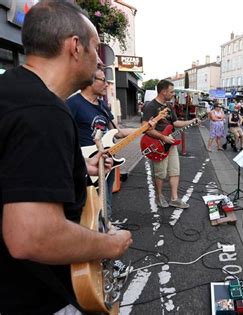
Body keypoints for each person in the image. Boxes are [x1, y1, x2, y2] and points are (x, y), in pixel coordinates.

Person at [0, 1, 133, 313]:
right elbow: (31, 237)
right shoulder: (44, 112)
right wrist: (110, 244)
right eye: (96, 48)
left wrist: (77, 168)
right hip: (34, 297)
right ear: (75, 47)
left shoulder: (11, 91)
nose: (99, 61)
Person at [68, 68, 148, 220]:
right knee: (87, 209)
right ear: (91, 81)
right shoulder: (73, 104)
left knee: (105, 204)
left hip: (107, 163)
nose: (107, 84)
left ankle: (106, 230)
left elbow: (117, 132)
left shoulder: (103, 106)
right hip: (86, 166)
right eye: (103, 80)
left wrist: (144, 129)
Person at [142, 79, 199, 209]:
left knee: (175, 171)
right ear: (163, 91)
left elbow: (175, 123)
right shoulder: (150, 106)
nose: (173, 94)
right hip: (158, 144)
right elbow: (145, 127)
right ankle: (159, 196)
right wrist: (163, 137)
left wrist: (191, 121)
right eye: (171, 91)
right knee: (160, 173)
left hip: (170, 143)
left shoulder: (169, 106)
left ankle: (174, 199)